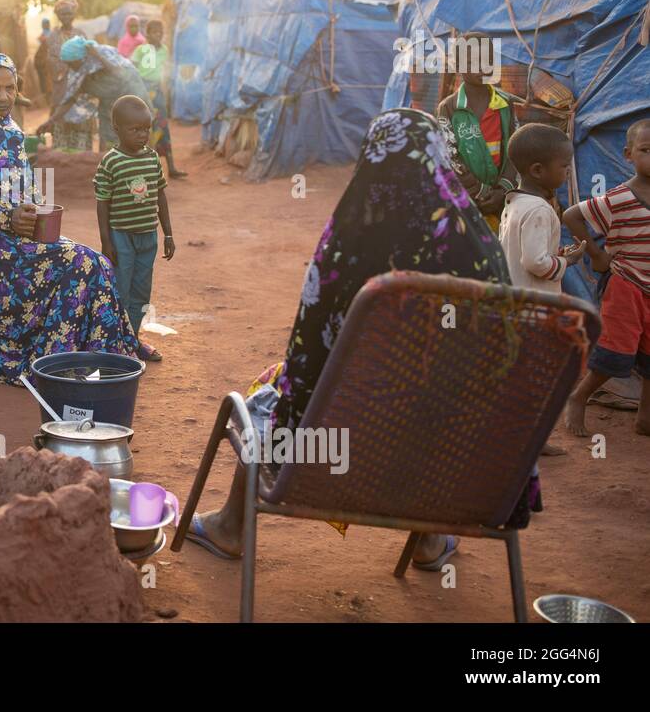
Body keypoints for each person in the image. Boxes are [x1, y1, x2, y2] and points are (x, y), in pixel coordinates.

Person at [185, 109, 520, 568]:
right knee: (434, 394)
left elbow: (311, 364)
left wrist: (285, 379)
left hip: (339, 452)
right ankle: (426, 539)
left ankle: (231, 528)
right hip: (454, 464)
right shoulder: (483, 251)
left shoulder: (349, 248)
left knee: (272, 391)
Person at [0, 52, 137, 384]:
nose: (3, 97)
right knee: (78, 263)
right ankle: (54, 366)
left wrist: (38, 209)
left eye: (10, 88)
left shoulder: (13, 132)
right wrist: (5, 218)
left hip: (21, 234)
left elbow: (27, 187)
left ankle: (101, 358)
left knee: (97, 262)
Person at [499, 122, 587, 455]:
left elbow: (523, 254)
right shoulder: (539, 210)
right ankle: (531, 441)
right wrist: (568, 263)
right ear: (538, 170)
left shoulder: (514, 204)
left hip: (514, 301)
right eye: (564, 166)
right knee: (535, 377)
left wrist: (556, 256)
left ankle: (522, 437)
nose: (567, 172)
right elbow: (536, 263)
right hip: (534, 308)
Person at [561, 118, 650, 438]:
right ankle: (579, 396)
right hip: (625, 284)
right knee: (616, 351)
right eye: (645, 150)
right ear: (628, 155)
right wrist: (597, 256)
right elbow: (571, 215)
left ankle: (644, 418)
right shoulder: (619, 197)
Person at [95, 95, 176, 363]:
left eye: (146, 129)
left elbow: (160, 196)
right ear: (116, 129)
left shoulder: (152, 159)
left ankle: (133, 340)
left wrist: (168, 233)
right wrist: (107, 242)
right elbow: (102, 203)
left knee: (142, 292)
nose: (143, 135)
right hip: (121, 237)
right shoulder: (111, 161)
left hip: (148, 237)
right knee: (121, 290)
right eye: (135, 129)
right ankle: (116, 343)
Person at [435, 39, 521, 230]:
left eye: (489, 59)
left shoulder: (506, 104)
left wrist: (502, 191)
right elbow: (450, 157)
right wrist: (480, 191)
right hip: (467, 201)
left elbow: (516, 150)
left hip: (503, 200)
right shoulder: (449, 109)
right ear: (458, 65)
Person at [37, 35, 150, 151]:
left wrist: (97, 55)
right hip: (109, 106)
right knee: (107, 141)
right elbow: (70, 99)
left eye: (70, 63)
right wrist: (51, 121)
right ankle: (106, 164)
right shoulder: (79, 74)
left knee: (135, 141)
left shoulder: (104, 55)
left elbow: (120, 75)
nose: (68, 66)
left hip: (133, 100)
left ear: (80, 58)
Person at [36, 0, 94, 151]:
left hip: (81, 87)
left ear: (74, 15)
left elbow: (87, 59)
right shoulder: (52, 36)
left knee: (81, 123)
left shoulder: (81, 34)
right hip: (60, 86)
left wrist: (77, 71)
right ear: (58, 16)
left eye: (69, 14)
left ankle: (81, 161)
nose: (66, 17)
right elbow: (50, 60)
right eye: (62, 14)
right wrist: (66, 68)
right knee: (61, 122)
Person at [131, 19, 187, 179]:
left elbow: (166, 71)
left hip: (158, 92)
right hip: (142, 91)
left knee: (162, 128)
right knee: (142, 129)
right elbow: (132, 69)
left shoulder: (164, 50)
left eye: (161, 32)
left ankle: (171, 168)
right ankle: (144, 171)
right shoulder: (140, 50)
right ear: (147, 34)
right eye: (155, 32)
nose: (159, 35)